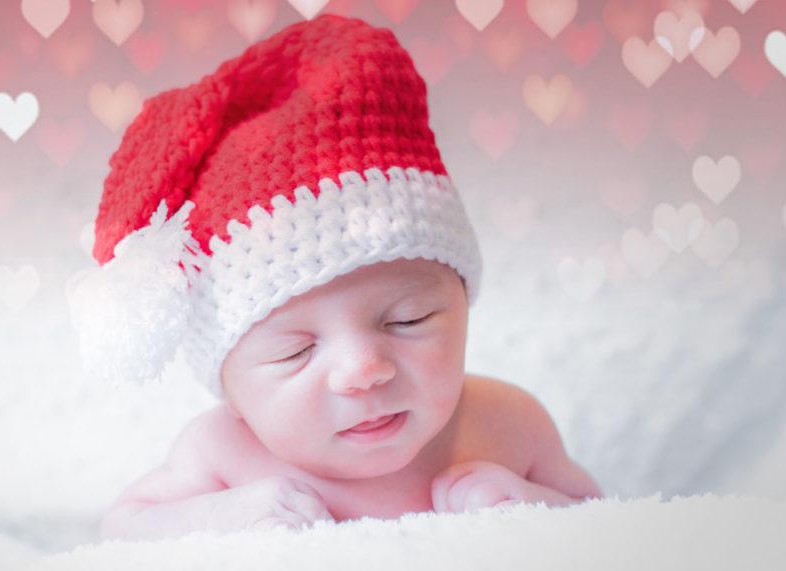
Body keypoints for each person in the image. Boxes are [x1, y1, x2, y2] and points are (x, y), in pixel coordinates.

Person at [71, 14, 601, 541]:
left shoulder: (506, 423)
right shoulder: (222, 453)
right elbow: (123, 530)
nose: (363, 370)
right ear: (229, 388)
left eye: (407, 319)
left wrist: (529, 506)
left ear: (462, 302)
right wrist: (222, 515)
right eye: (294, 352)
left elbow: (605, 521)